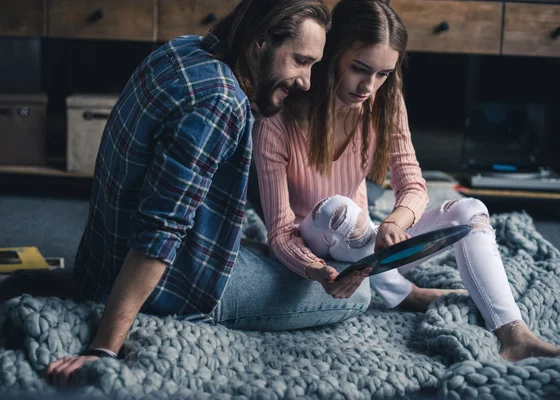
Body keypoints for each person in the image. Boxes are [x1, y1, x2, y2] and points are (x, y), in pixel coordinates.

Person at [252, 0, 560, 362]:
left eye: (383, 74)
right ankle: (404, 292)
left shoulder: (385, 102)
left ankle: (514, 334)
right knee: (340, 209)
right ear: (331, 54)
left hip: (366, 247)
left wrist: (395, 223)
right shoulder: (276, 122)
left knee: (470, 210)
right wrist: (318, 272)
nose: (369, 85)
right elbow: (280, 231)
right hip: (317, 249)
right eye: (359, 68)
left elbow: (412, 184)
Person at [46, 0, 331, 385]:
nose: (307, 81)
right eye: (301, 61)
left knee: (278, 251)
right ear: (261, 41)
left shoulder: (184, 49)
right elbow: (159, 233)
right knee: (358, 290)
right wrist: (103, 348)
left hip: (96, 265)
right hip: (161, 293)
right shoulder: (220, 101)